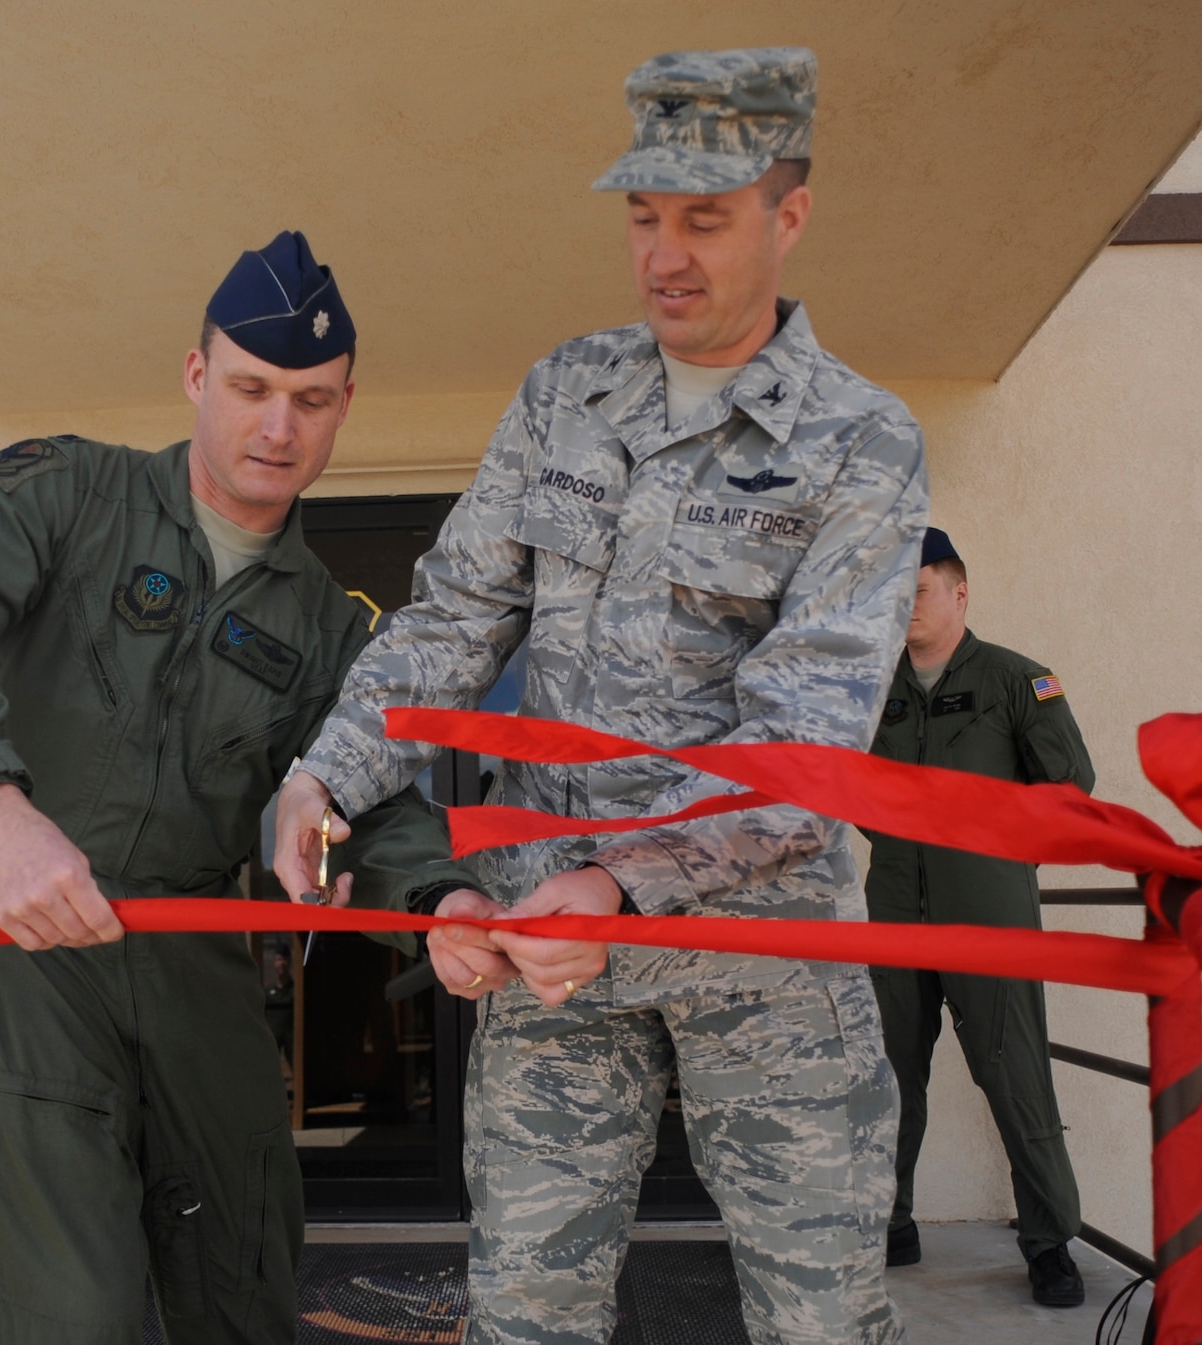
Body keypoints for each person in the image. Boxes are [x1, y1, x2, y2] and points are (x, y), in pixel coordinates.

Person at [274, 49, 927, 1345]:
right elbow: (456, 615)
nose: (663, 258)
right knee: (525, 1314)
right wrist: (325, 773)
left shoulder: (861, 438)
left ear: (788, 215)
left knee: (821, 1322)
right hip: (551, 961)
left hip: (764, 964)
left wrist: (618, 886)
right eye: (642, 217)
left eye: (705, 220)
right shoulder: (565, 392)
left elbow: (804, 742)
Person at [0, 230, 479, 1345]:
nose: (278, 426)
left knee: (244, 1274)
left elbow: (375, 801)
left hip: (195, 950)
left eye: (311, 399)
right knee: (70, 1309)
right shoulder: (64, 494)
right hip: (27, 934)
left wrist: (442, 898)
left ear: (344, 406)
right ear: (197, 376)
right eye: (250, 388)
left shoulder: (329, 625)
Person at [861, 526, 1095, 1307]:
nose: (907, 602)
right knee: (889, 1070)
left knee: (1012, 1069)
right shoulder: (876, 691)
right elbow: (858, 792)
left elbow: (1069, 790)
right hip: (896, 906)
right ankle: (889, 1220)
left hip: (988, 910)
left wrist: (988, 844)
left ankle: (1050, 1241)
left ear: (960, 593)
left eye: (921, 586)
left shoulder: (1017, 680)